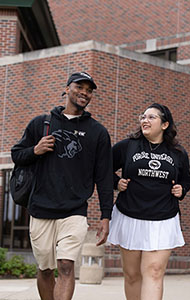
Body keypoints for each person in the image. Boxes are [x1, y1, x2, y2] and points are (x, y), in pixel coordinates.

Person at [11, 72, 113, 300]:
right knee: (45, 269)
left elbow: (104, 178)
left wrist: (106, 216)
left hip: (74, 210)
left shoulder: (98, 132)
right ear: (67, 89)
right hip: (40, 209)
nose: (84, 93)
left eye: (89, 90)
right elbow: (17, 155)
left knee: (66, 266)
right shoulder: (41, 123)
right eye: (80, 87)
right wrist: (35, 150)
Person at [107, 103, 190, 300]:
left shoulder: (178, 152)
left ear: (164, 124)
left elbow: (186, 179)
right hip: (129, 215)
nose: (145, 120)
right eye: (143, 117)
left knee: (154, 272)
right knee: (132, 274)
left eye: (151, 117)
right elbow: (103, 168)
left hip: (163, 218)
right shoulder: (127, 146)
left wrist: (182, 190)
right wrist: (116, 182)